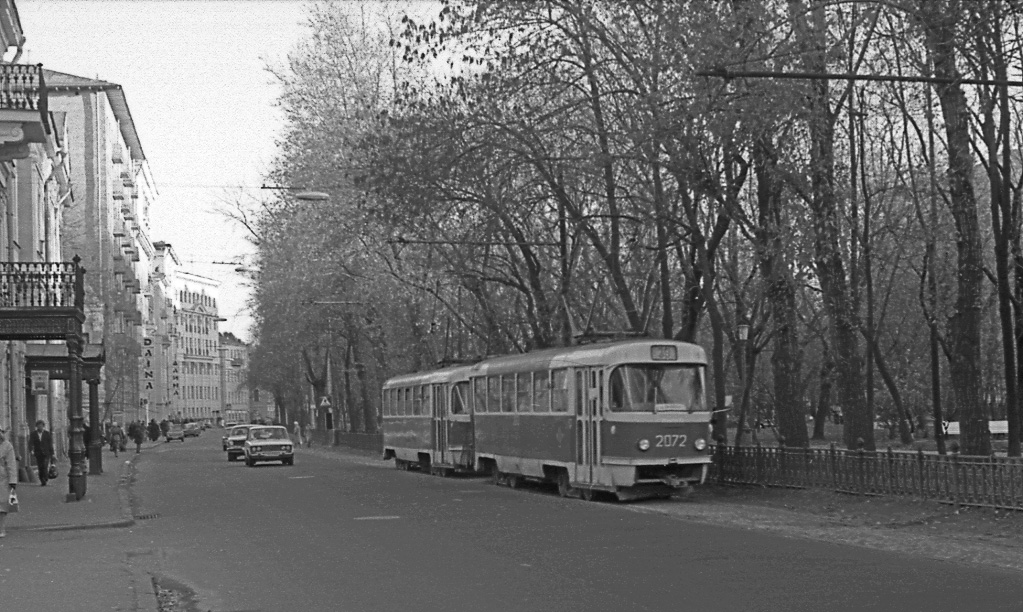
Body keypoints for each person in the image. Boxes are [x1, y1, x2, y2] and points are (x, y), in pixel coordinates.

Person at [0, 426, 17, 537]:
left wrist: (12, 480)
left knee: (2, 504)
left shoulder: (7, 446)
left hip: (3, 478)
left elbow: (11, 464)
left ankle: (1, 528)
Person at [29, 420, 55, 487]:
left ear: (43, 426)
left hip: (46, 453)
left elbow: (50, 444)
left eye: (41, 425)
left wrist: (52, 453)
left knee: (45, 466)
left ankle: (45, 478)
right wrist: (31, 450)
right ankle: (42, 479)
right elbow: (30, 443)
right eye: (38, 426)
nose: (40, 427)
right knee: (40, 467)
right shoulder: (33, 434)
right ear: (36, 426)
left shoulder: (47, 434)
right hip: (38, 453)